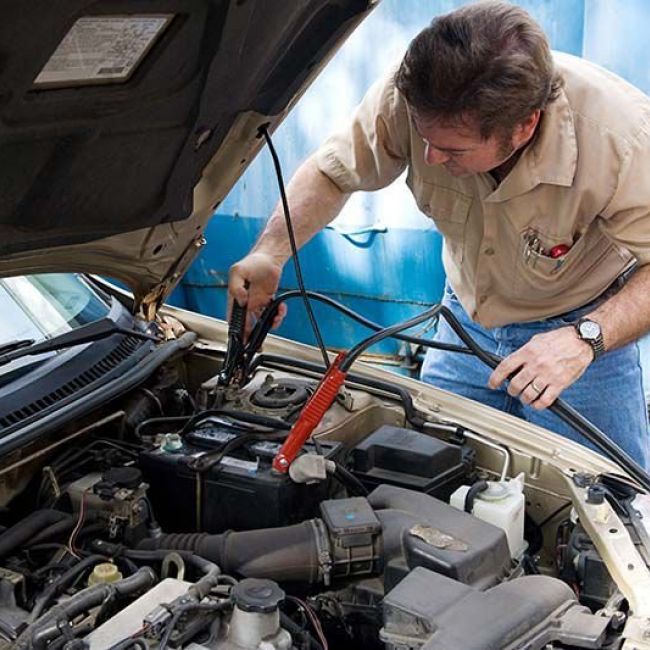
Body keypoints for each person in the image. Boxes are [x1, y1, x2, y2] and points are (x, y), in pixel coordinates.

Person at [228, 1, 650, 466]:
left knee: (608, 501)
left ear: (524, 127)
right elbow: (334, 172)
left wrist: (584, 338)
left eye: (451, 148)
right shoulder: (411, 95)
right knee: (431, 472)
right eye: (422, 138)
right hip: (464, 323)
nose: (428, 158)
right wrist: (270, 253)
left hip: (581, 330)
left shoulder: (621, 137)